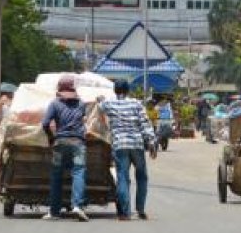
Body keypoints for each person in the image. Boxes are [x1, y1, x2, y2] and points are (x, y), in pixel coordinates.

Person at [99, 80, 156, 221]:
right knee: (142, 177)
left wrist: (100, 100)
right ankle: (140, 209)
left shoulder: (108, 103)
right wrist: (152, 142)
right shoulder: (136, 104)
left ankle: (124, 212)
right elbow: (145, 123)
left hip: (120, 145)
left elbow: (99, 107)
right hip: (137, 144)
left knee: (123, 177)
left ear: (115, 90)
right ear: (128, 90)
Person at [42, 74, 90, 222]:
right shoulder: (81, 104)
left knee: (56, 175)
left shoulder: (54, 104)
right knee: (79, 172)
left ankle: (54, 211)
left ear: (59, 89)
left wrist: (51, 137)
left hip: (60, 143)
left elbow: (45, 124)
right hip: (78, 143)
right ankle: (77, 206)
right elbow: (82, 120)